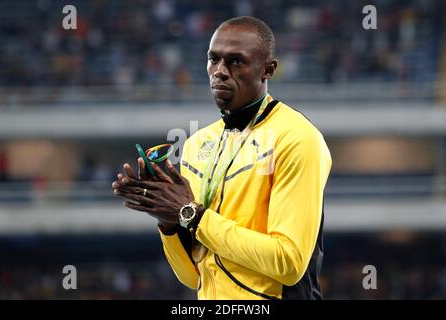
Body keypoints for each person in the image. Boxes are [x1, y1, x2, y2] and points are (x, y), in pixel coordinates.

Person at [112, 16, 332, 300]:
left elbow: (288, 263)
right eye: (213, 59)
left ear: (269, 69)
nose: (220, 71)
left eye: (236, 61)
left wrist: (191, 214)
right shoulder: (196, 145)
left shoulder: (296, 138)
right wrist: (167, 221)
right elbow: (193, 277)